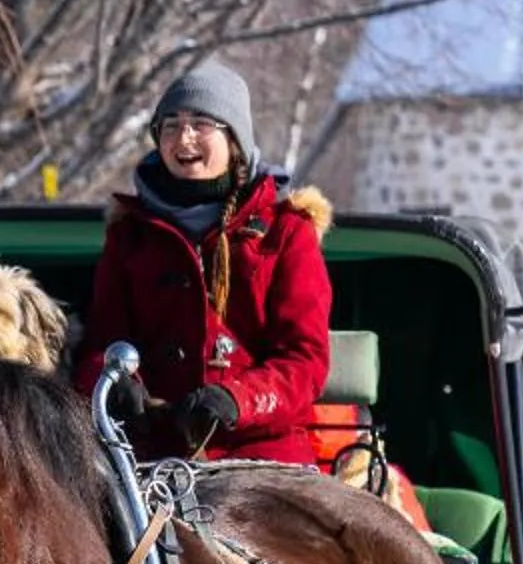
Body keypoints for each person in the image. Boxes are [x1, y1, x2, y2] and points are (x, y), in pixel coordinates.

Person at [74, 59, 331, 463]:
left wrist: (236, 400)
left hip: (260, 455)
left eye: (200, 123)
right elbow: (100, 346)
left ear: (234, 139)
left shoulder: (286, 231)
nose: (184, 137)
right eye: (171, 125)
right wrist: (114, 385)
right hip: (149, 454)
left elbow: (304, 361)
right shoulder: (130, 235)